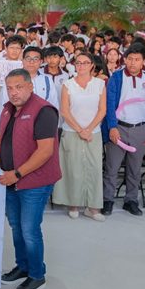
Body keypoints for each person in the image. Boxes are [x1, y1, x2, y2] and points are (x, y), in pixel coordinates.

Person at [0, 69, 60, 289]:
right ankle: (22, 266)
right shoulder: (7, 109)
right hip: (10, 179)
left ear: (30, 86)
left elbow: (45, 151)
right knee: (16, 226)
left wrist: (17, 174)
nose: (14, 92)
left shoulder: (44, 111)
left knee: (29, 229)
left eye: (19, 87)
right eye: (10, 88)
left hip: (34, 182)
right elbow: (3, 137)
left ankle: (37, 275)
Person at [102, 43, 145, 216]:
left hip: (139, 129)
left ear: (144, 61)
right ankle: (107, 200)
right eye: (130, 59)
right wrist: (112, 127)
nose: (133, 62)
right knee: (112, 168)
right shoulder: (117, 78)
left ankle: (131, 200)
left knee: (135, 169)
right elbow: (109, 104)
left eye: (137, 59)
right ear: (125, 59)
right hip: (119, 127)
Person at [52, 52, 107, 220]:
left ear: (92, 65)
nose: (81, 65)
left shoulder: (100, 84)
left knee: (94, 169)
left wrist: (88, 130)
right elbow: (65, 111)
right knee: (73, 169)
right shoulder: (68, 85)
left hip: (93, 133)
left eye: (85, 62)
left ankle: (93, 208)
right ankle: (73, 204)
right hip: (71, 132)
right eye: (78, 63)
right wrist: (80, 130)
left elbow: (102, 110)